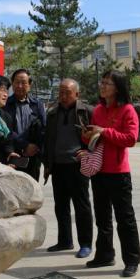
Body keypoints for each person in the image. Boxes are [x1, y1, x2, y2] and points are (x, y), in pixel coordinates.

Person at [81, 70, 140, 278]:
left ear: (118, 87)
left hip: (118, 172)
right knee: (102, 217)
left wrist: (104, 131)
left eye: (108, 83)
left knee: (125, 219)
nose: (103, 85)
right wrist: (88, 135)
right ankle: (105, 254)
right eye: (102, 82)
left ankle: (132, 260)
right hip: (99, 171)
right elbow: (96, 139)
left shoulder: (127, 110)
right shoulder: (98, 110)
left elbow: (131, 139)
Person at [42, 79, 94, 258]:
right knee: (61, 206)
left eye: (67, 92)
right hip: (58, 166)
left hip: (78, 166)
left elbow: (97, 138)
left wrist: (88, 153)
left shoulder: (87, 111)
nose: (63, 96)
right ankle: (65, 240)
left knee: (82, 206)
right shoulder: (52, 113)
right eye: (60, 92)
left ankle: (86, 243)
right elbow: (48, 140)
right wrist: (47, 164)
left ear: (77, 94)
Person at [4, 69, 46, 181]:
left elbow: (43, 128)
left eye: (23, 82)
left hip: (33, 157)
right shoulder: (5, 104)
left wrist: (36, 148)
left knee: (32, 192)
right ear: (12, 84)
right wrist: (25, 145)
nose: (20, 86)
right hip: (12, 155)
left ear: (30, 85)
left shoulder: (38, 105)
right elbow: (5, 130)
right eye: (17, 82)